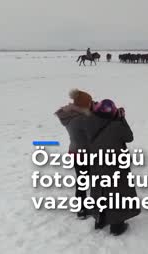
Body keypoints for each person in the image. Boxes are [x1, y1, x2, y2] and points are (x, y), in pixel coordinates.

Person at [85, 99, 140, 236]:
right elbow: (129, 137)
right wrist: (122, 119)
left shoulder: (90, 122)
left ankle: (100, 220)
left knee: (99, 191)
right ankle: (116, 225)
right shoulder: (116, 126)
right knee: (117, 192)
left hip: (96, 162)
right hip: (114, 164)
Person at [55, 89, 93, 219]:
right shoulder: (83, 119)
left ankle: (81, 209)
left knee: (81, 181)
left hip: (75, 152)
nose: (91, 104)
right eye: (89, 103)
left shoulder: (70, 115)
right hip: (86, 154)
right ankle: (88, 207)